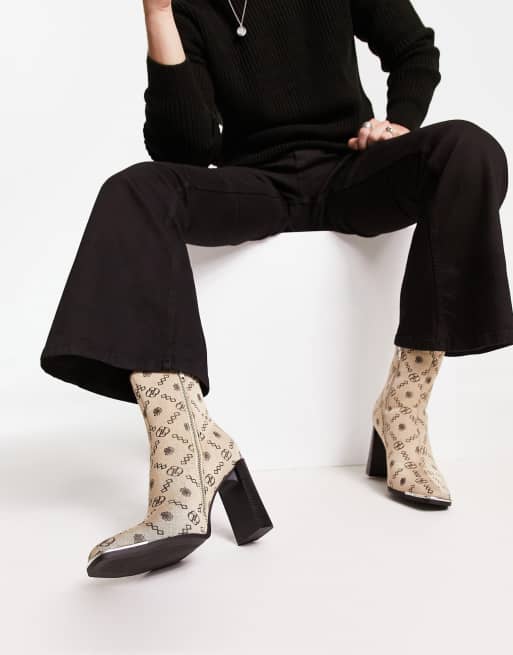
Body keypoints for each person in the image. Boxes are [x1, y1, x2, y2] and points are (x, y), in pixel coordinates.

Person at [40, 0, 513, 578]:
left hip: (351, 170)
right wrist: (159, 16)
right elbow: (186, 150)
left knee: (470, 149)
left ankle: (404, 409)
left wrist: (400, 122)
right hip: (256, 184)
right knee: (134, 190)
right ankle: (185, 448)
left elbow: (414, 48)